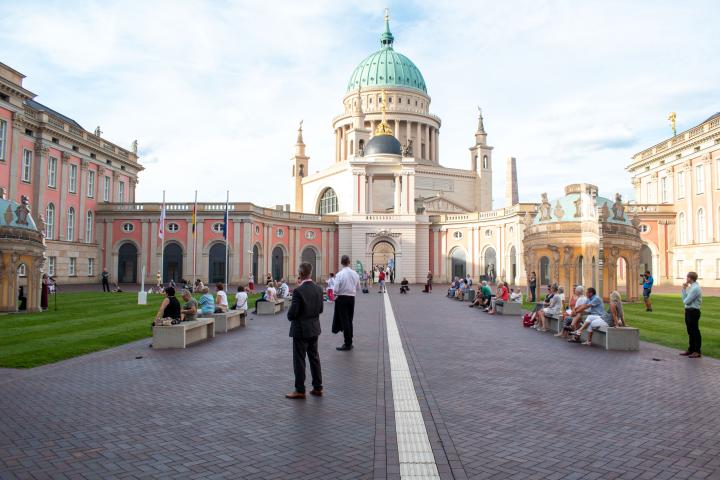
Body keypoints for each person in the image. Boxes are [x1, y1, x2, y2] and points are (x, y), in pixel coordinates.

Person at [286, 262, 324, 399]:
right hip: (314, 328)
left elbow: (292, 314)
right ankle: (318, 387)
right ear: (310, 273)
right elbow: (320, 309)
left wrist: (291, 314)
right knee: (314, 358)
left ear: (301, 274)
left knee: (299, 360)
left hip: (300, 330)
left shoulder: (298, 291)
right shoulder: (319, 289)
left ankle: (300, 389)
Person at [331, 255, 360, 351]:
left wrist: (336, 294)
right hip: (352, 298)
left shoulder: (339, 274)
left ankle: (347, 343)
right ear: (349, 262)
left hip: (342, 298)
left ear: (341, 262)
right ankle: (350, 341)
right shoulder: (355, 273)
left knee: (344, 321)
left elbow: (335, 289)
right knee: (349, 320)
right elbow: (358, 287)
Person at [680, 271, 702, 358]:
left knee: (695, 331)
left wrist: (683, 290)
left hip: (693, 311)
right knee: (690, 331)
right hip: (689, 311)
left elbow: (686, 301)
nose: (686, 279)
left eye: (687, 277)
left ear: (690, 278)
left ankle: (697, 351)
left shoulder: (695, 288)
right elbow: (685, 300)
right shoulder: (691, 287)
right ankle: (691, 349)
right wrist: (684, 289)